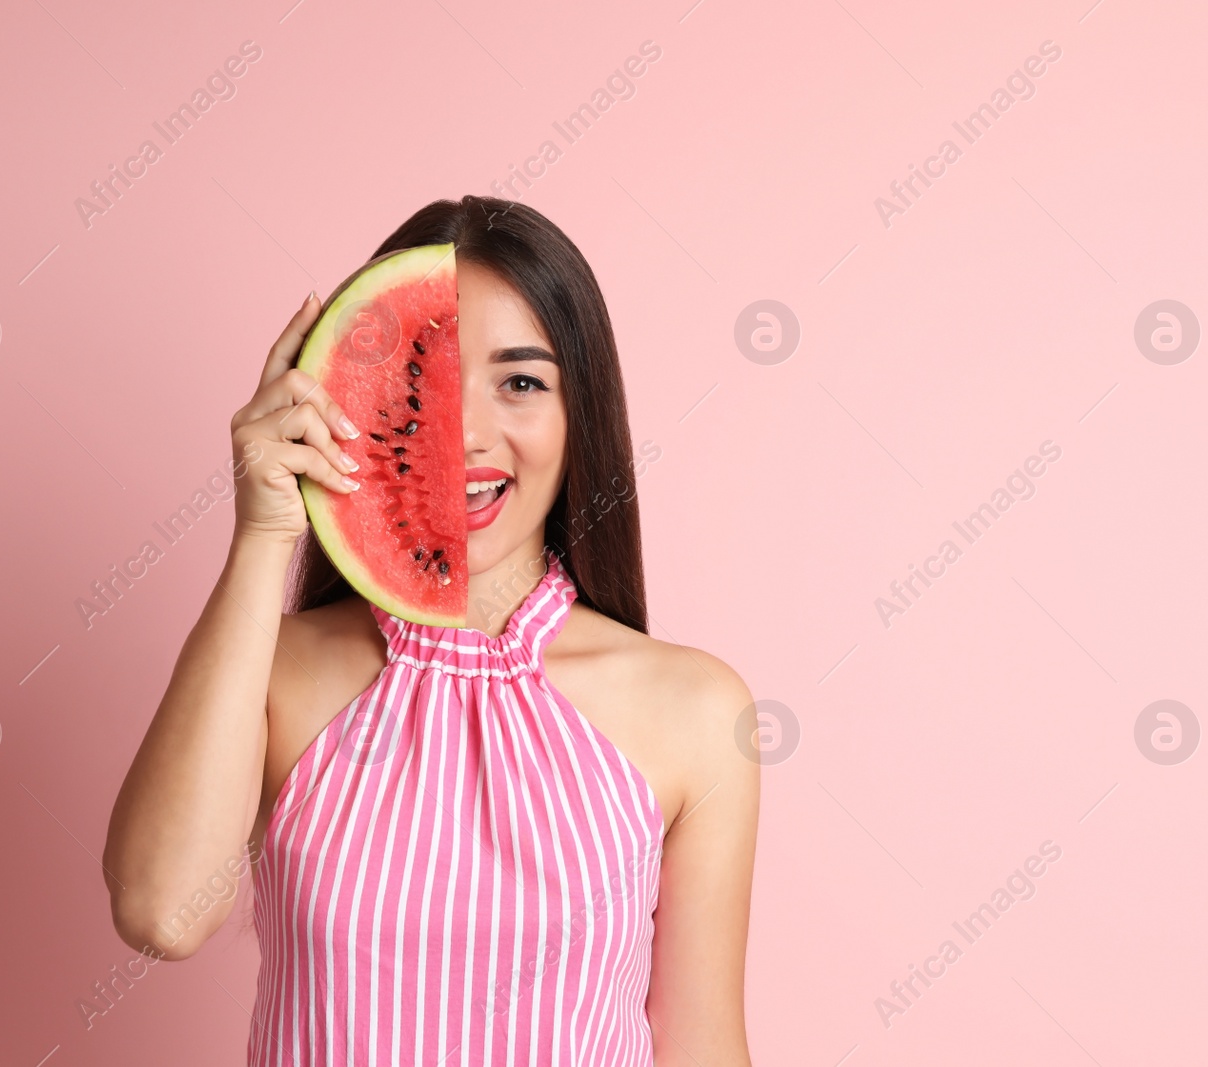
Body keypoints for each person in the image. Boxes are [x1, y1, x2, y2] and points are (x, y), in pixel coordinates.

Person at [103, 195, 759, 1065]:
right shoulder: (273, 671)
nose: (465, 433)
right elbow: (161, 911)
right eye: (424, 381)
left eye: (521, 382)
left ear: (581, 414)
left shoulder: (698, 710)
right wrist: (264, 530)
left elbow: (703, 1046)